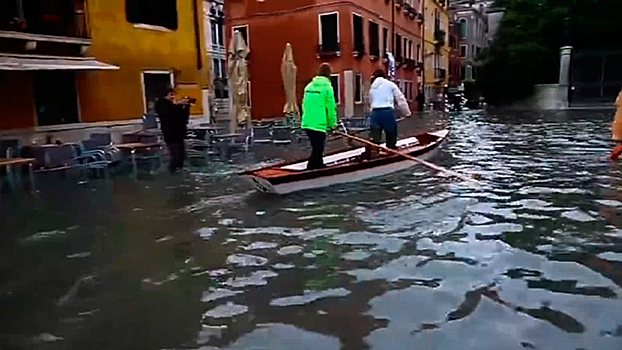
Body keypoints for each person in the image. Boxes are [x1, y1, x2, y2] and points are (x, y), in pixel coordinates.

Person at [301, 63, 337, 170]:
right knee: (318, 148)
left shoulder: (309, 87)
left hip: (307, 122)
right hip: (319, 123)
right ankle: (313, 168)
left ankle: (318, 165)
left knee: (316, 147)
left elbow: (304, 105)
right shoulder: (327, 88)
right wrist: (332, 125)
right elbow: (330, 108)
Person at [367, 69, 411, 153]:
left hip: (375, 114)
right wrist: (407, 113)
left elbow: (370, 102)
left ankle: (374, 152)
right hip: (387, 113)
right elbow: (401, 100)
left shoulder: (372, 88)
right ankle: (391, 150)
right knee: (391, 135)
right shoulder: (390, 85)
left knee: (375, 139)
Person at [155, 88, 191, 173]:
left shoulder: (171, 106)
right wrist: (180, 105)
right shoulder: (162, 105)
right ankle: (173, 171)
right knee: (175, 155)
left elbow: (184, 117)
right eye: (171, 95)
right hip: (171, 134)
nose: (173, 97)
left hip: (179, 133)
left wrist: (185, 107)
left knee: (181, 155)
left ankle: (178, 169)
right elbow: (171, 113)